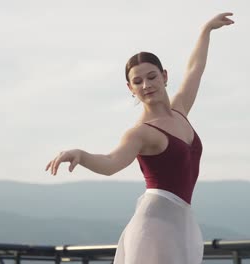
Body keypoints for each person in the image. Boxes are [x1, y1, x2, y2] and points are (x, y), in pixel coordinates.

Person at [45, 12, 234, 264]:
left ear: (165, 76)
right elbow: (111, 162)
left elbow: (194, 70)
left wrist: (205, 31)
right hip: (155, 224)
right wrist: (81, 155)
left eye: (152, 77)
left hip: (180, 220)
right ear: (130, 88)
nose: (146, 85)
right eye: (137, 81)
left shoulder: (180, 111)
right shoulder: (140, 132)